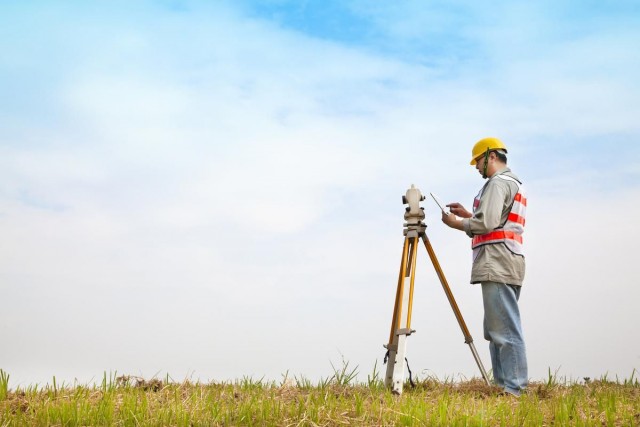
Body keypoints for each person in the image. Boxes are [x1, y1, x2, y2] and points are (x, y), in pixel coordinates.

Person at [441, 137, 528, 397]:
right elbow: (496, 221)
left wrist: (457, 223)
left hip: (498, 260)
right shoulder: (512, 183)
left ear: (490, 156)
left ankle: (514, 390)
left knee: (504, 329)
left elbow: (488, 224)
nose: (476, 167)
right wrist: (470, 216)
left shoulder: (498, 184)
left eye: (477, 161)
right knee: (496, 327)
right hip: (506, 259)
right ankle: (504, 386)